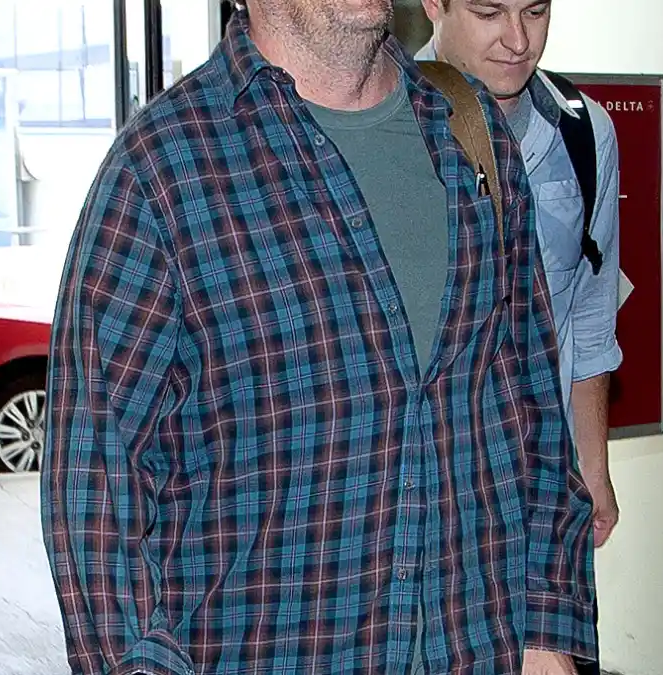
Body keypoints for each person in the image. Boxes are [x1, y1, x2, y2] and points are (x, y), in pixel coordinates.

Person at [41, 1, 595, 674]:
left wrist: (545, 629)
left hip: (483, 648)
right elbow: (96, 485)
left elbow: (532, 405)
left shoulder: (468, 133)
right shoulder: (162, 170)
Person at [416, 1, 624, 672]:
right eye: (487, 11)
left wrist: (594, 469)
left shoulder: (583, 135)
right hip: (426, 516)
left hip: (543, 511)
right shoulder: (380, 129)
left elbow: (589, 315)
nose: (517, 39)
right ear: (432, 6)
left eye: (535, 11)